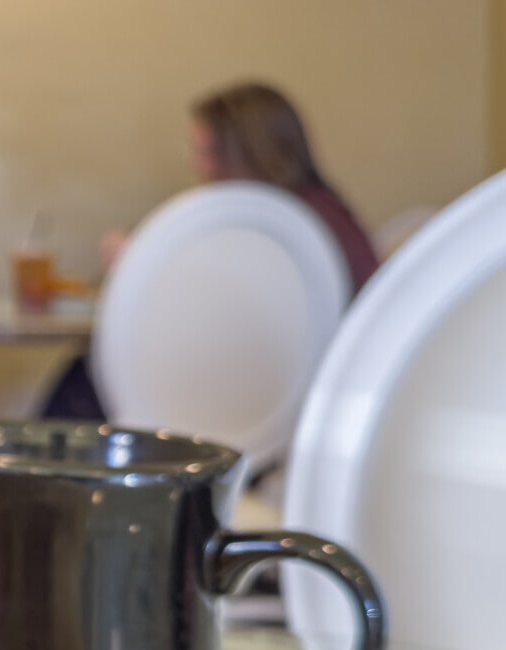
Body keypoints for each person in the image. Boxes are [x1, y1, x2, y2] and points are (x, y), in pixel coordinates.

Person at [44, 80, 379, 419]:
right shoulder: (311, 213)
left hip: (284, 404)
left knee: (89, 380)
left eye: (205, 152)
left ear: (246, 153)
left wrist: (139, 263)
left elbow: (232, 310)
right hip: (279, 388)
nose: (198, 166)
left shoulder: (293, 229)